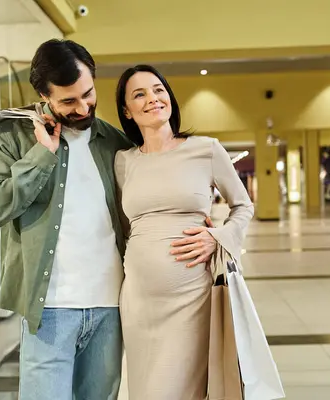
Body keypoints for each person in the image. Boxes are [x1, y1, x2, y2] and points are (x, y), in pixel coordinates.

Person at [0, 39, 215, 400]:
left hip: (111, 307)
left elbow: (146, 210)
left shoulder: (114, 143)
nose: (83, 106)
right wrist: (43, 155)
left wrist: (207, 229)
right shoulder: (12, 137)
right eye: (68, 101)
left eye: (88, 94)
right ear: (43, 95)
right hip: (50, 311)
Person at [114, 65, 254, 399]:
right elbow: (123, 228)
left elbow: (243, 206)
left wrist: (217, 237)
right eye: (140, 94)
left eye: (158, 89)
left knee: (183, 391)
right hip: (139, 303)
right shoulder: (123, 162)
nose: (153, 99)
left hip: (192, 298)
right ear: (127, 111)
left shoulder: (205, 149)